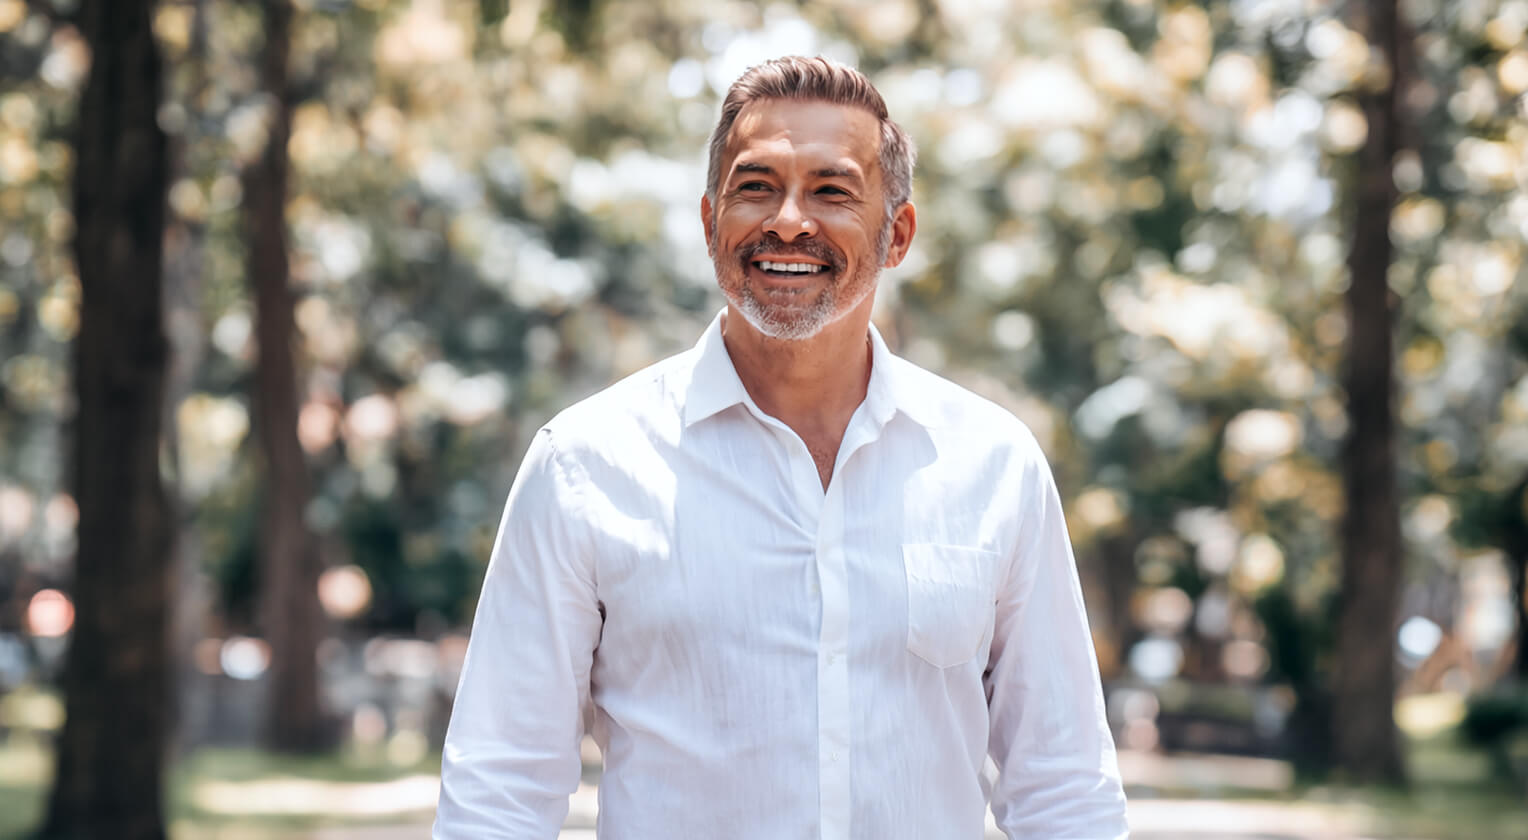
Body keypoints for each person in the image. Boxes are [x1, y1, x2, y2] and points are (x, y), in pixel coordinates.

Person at [434, 55, 1128, 839]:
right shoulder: (583, 465)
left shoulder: (994, 465)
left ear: (896, 235)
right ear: (709, 224)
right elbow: (501, 784)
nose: (789, 220)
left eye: (832, 191)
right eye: (756, 187)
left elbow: (1063, 784)